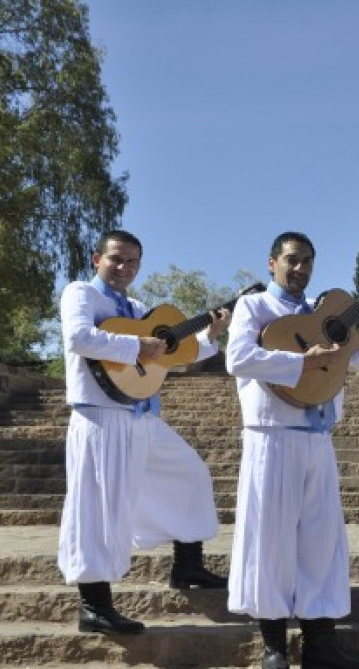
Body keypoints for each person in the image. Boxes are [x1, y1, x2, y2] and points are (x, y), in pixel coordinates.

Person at [224, 231, 359, 669]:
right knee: (270, 541)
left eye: (307, 261)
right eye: (291, 260)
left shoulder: (326, 313)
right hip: (271, 437)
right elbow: (237, 357)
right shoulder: (255, 307)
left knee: (322, 544)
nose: (300, 268)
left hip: (318, 439)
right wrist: (301, 362)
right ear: (272, 263)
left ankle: (321, 643)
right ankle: (273, 646)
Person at [58, 229, 230, 636]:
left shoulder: (136, 307)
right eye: (116, 259)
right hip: (100, 416)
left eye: (132, 261)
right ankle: (94, 605)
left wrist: (210, 335)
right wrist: (136, 347)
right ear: (96, 259)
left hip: (141, 417)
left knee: (189, 473)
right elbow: (78, 337)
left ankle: (187, 565)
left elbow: (174, 353)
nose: (124, 267)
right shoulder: (81, 293)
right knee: (98, 508)